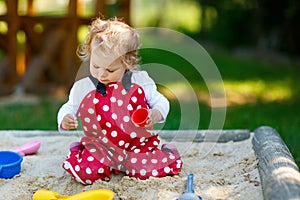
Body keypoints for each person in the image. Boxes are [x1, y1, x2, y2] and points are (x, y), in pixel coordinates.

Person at [57, 17, 182, 185]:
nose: (101, 74)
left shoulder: (140, 81)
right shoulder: (84, 87)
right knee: (87, 173)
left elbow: (162, 101)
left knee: (146, 171)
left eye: (110, 69)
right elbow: (69, 107)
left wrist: (156, 113)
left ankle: (167, 153)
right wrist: (65, 119)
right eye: (95, 66)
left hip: (135, 144)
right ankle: (79, 151)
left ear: (127, 63)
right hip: (101, 146)